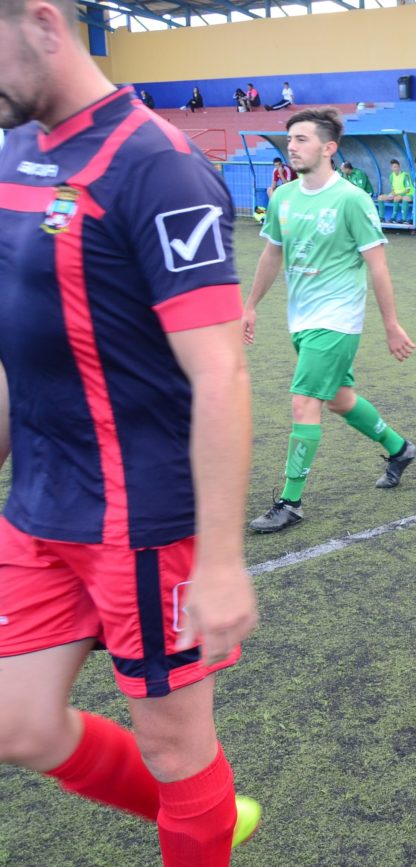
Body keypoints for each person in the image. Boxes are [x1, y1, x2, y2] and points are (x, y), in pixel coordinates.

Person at [0, 0, 261, 859]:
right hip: (38, 507)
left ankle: (202, 820)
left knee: (175, 751)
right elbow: (18, 348)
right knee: (17, 723)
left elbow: (219, 371)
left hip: (141, 518)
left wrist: (220, 561)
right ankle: (208, 819)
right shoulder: (17, 148)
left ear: (43, 24)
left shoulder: (159, 167)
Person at [240, 108, 416, 533]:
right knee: (339, 399)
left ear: (329, 148)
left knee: (304, 402)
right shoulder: (283, 197)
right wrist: (250, 306)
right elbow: (272, 253)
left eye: (302, 139)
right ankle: (400, 449)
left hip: (337, 320)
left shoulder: (351, 199)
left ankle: (290, 502)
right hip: (300, 320)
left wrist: (391, 324)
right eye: (290, 139)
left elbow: (378, 267)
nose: (292, 146)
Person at [377, 158, 413, 223]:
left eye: (396, 167)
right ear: (391, 168)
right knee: (380, 197)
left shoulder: (405, 175)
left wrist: (397, 195)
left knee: (396, 198)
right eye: (393, 167)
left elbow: (408, 190)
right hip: (396, 194)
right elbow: (393, 189)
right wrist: (391, 194)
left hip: (406, 194)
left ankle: (394, 218)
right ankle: (381, 217)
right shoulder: (391, 176)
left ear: (399, 167)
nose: (395, 169)